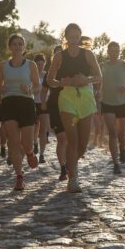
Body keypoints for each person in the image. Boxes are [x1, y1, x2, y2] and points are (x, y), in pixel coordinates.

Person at [47, 23, 101, 192]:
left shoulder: (88, 54)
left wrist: (86, 79)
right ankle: (73, 180)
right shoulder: (59, 56)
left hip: (85, 97)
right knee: (72, 140)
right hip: (67, 98)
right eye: (70, 37)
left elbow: (99, 77)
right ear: (66, 38)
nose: (73, 40)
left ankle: (71, 167)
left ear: (80, 37)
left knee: (83, 144)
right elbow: (50, 80)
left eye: (76, 37)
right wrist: (62, 82)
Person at [0, 33, 40, 191]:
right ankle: (19, 177)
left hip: (26, 103)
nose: (17, 46)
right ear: (10, 47)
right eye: (14, 44)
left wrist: (29, 89)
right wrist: (1, 89)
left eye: (20, 44)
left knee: (26, 143)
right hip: (9, 103)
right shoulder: (3, 65)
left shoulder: (31, 65)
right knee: (13, 142)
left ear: (24, 47)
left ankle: (29, 153)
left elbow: (37, 86)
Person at [100, 41, 125, 174]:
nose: (114, 53)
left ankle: (123, 147)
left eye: (117, 51)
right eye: (112, 51)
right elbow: (100, 82)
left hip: (122, 103)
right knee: (112, 133)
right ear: (108, 52)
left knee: (121, 133)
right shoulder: (102, 66)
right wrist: (98, 91)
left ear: (119, 52)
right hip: (107, 103)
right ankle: (115, 163)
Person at [42, 45, 68, 180]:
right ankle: (63, 167)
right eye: (56, 53)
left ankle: (70, 162)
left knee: (70, 138)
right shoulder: (50, 72)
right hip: (55, 106)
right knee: (62, 138)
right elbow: (44, 89)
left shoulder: (69, 69)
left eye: (61, 53)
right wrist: (43, 102)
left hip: (70, 105)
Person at [33, 53, 50, 163]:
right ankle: (35, 143)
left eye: (41, 64)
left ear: (44, 64)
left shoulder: (47, 75)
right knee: (35, 128)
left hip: (44, 104)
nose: (40, 66)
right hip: (33, 103)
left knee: (43, 129)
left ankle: (42, 154)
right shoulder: (31, 75)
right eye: (38, 64)